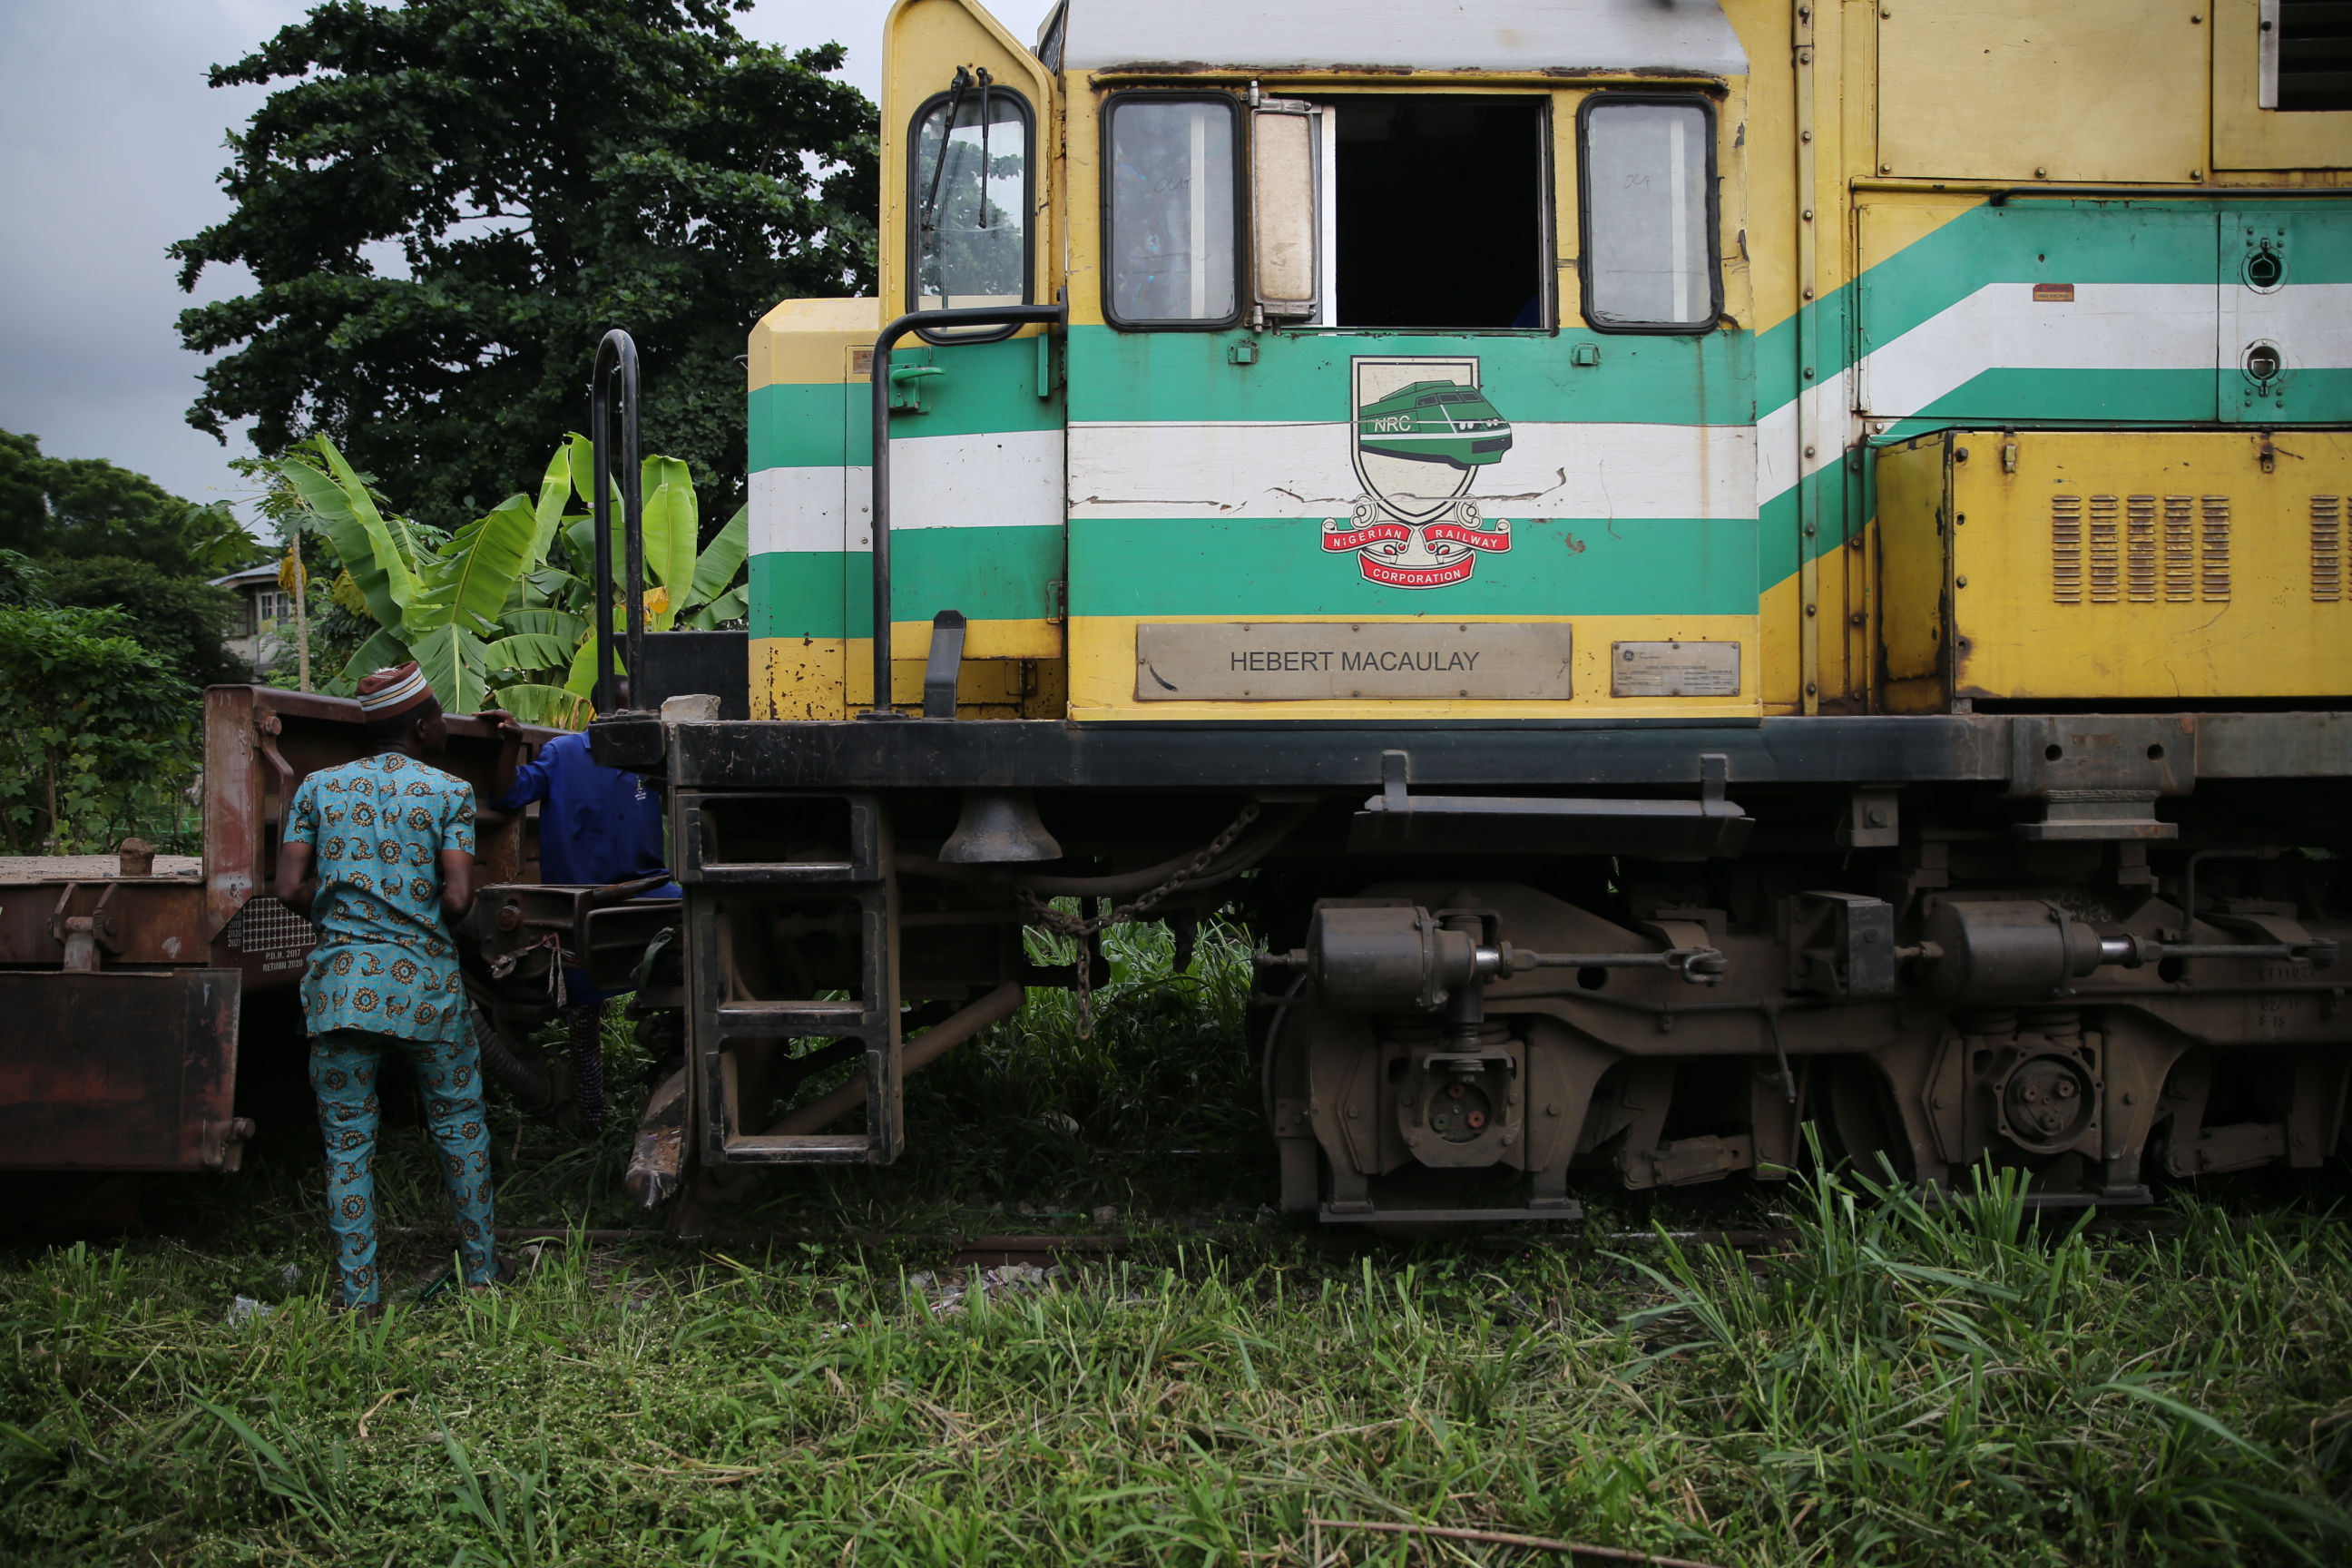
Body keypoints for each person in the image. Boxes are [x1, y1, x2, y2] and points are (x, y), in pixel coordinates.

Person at [276, 662, 505, 1314]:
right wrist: (416, 914)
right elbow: (459, 898)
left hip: (340, 987)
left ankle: (359, 1295)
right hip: (426, 990)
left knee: (348, 1144)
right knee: (459, 1124)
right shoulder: (448, 793)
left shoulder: (318, 790)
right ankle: (484, 1274)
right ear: (425, 725)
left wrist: (351, 910)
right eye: (439, 717)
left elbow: (289, 886)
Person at [475, 689, 676, 1128]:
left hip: (649, 893)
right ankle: (592, 1115)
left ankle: (671, 1058)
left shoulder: (653, 757)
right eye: (622, 707)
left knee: (696, 930)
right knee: (584, 1013)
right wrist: (511, 741)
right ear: (601, 711)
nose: (630, 715)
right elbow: (507, 797)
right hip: (582, 903)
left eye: (638, 708)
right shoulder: (564, 753)